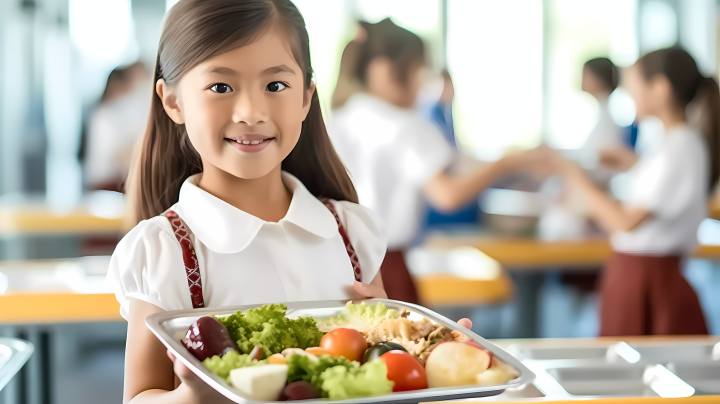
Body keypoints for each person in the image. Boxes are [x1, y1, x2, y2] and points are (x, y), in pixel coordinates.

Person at [108, 2, 470, 402]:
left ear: (306, 96)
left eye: (275, 86)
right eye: (221, 87)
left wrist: (430, 353)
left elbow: (381, 374)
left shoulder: (352, 232)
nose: (251, 112)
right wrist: (193, 394)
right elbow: (139, 397)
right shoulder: (163, 251)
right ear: (173, 101)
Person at [328, 19, 533, 304]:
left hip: (334, 269)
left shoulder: (337, 119)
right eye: (418, 71)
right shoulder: (407, 125)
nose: (423, 85)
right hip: (387, 267)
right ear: (385, 71)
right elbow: (447, 195)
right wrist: (505, 164)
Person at [541, 48, 715, 336]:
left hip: (645, 279)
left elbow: (625, 220)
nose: (628, 94)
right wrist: (634, 164)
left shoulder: (678, 147)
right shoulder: (676, 143)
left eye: (634, 86)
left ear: (660, 89)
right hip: (644, 275)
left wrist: (572, 175)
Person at [84, 62, 151, 192]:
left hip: (117, 180)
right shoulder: (104, 115)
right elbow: (119, 155)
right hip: (106, 183)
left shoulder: (122, 113)